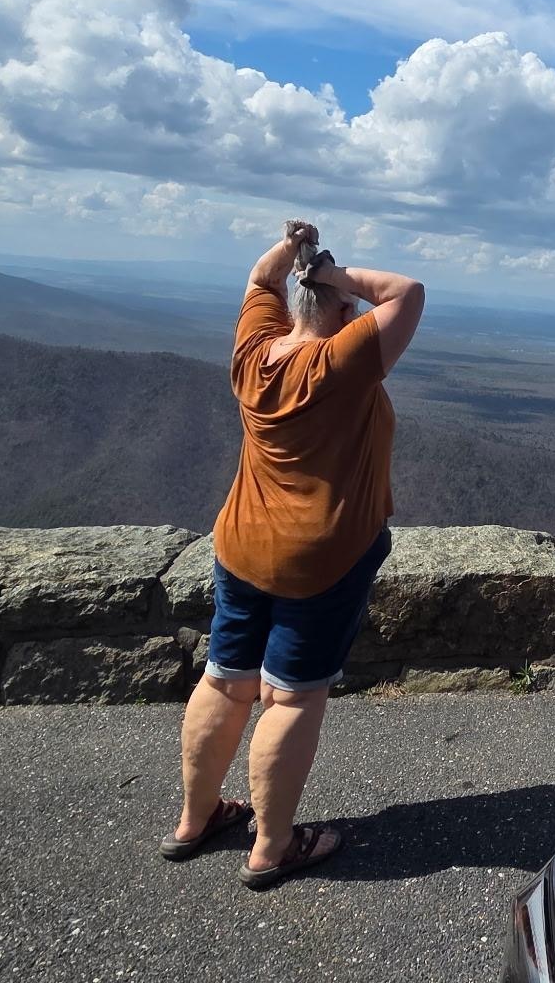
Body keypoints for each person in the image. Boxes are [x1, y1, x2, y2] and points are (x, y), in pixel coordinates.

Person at [165, 220, 424, 890]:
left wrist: (296, 250)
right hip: (322, 560)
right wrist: (335, 274)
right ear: (339, 311)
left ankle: (196, 821)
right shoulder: (341, 362)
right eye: (349, 305)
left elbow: (260, 279)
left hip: (240, 543)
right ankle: (272, 847)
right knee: (289, 699)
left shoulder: (254, 352)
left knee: (224, 680)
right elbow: (408, 292)